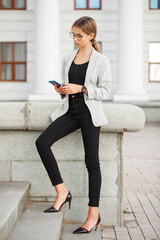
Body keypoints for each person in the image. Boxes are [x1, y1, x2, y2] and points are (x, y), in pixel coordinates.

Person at [35, 16, 112, 234]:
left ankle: (93, 215)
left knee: (92, 164)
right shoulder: (68, 58)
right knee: (42, 142)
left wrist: (83, 89)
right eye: (73, 35)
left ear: (91, 35)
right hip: (70, 112)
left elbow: (105, 91)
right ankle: (61, 191)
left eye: (79, 35)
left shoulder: (101, 60)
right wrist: (62, 90)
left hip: (89, 115)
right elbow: (68, 87)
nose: (75, 39)